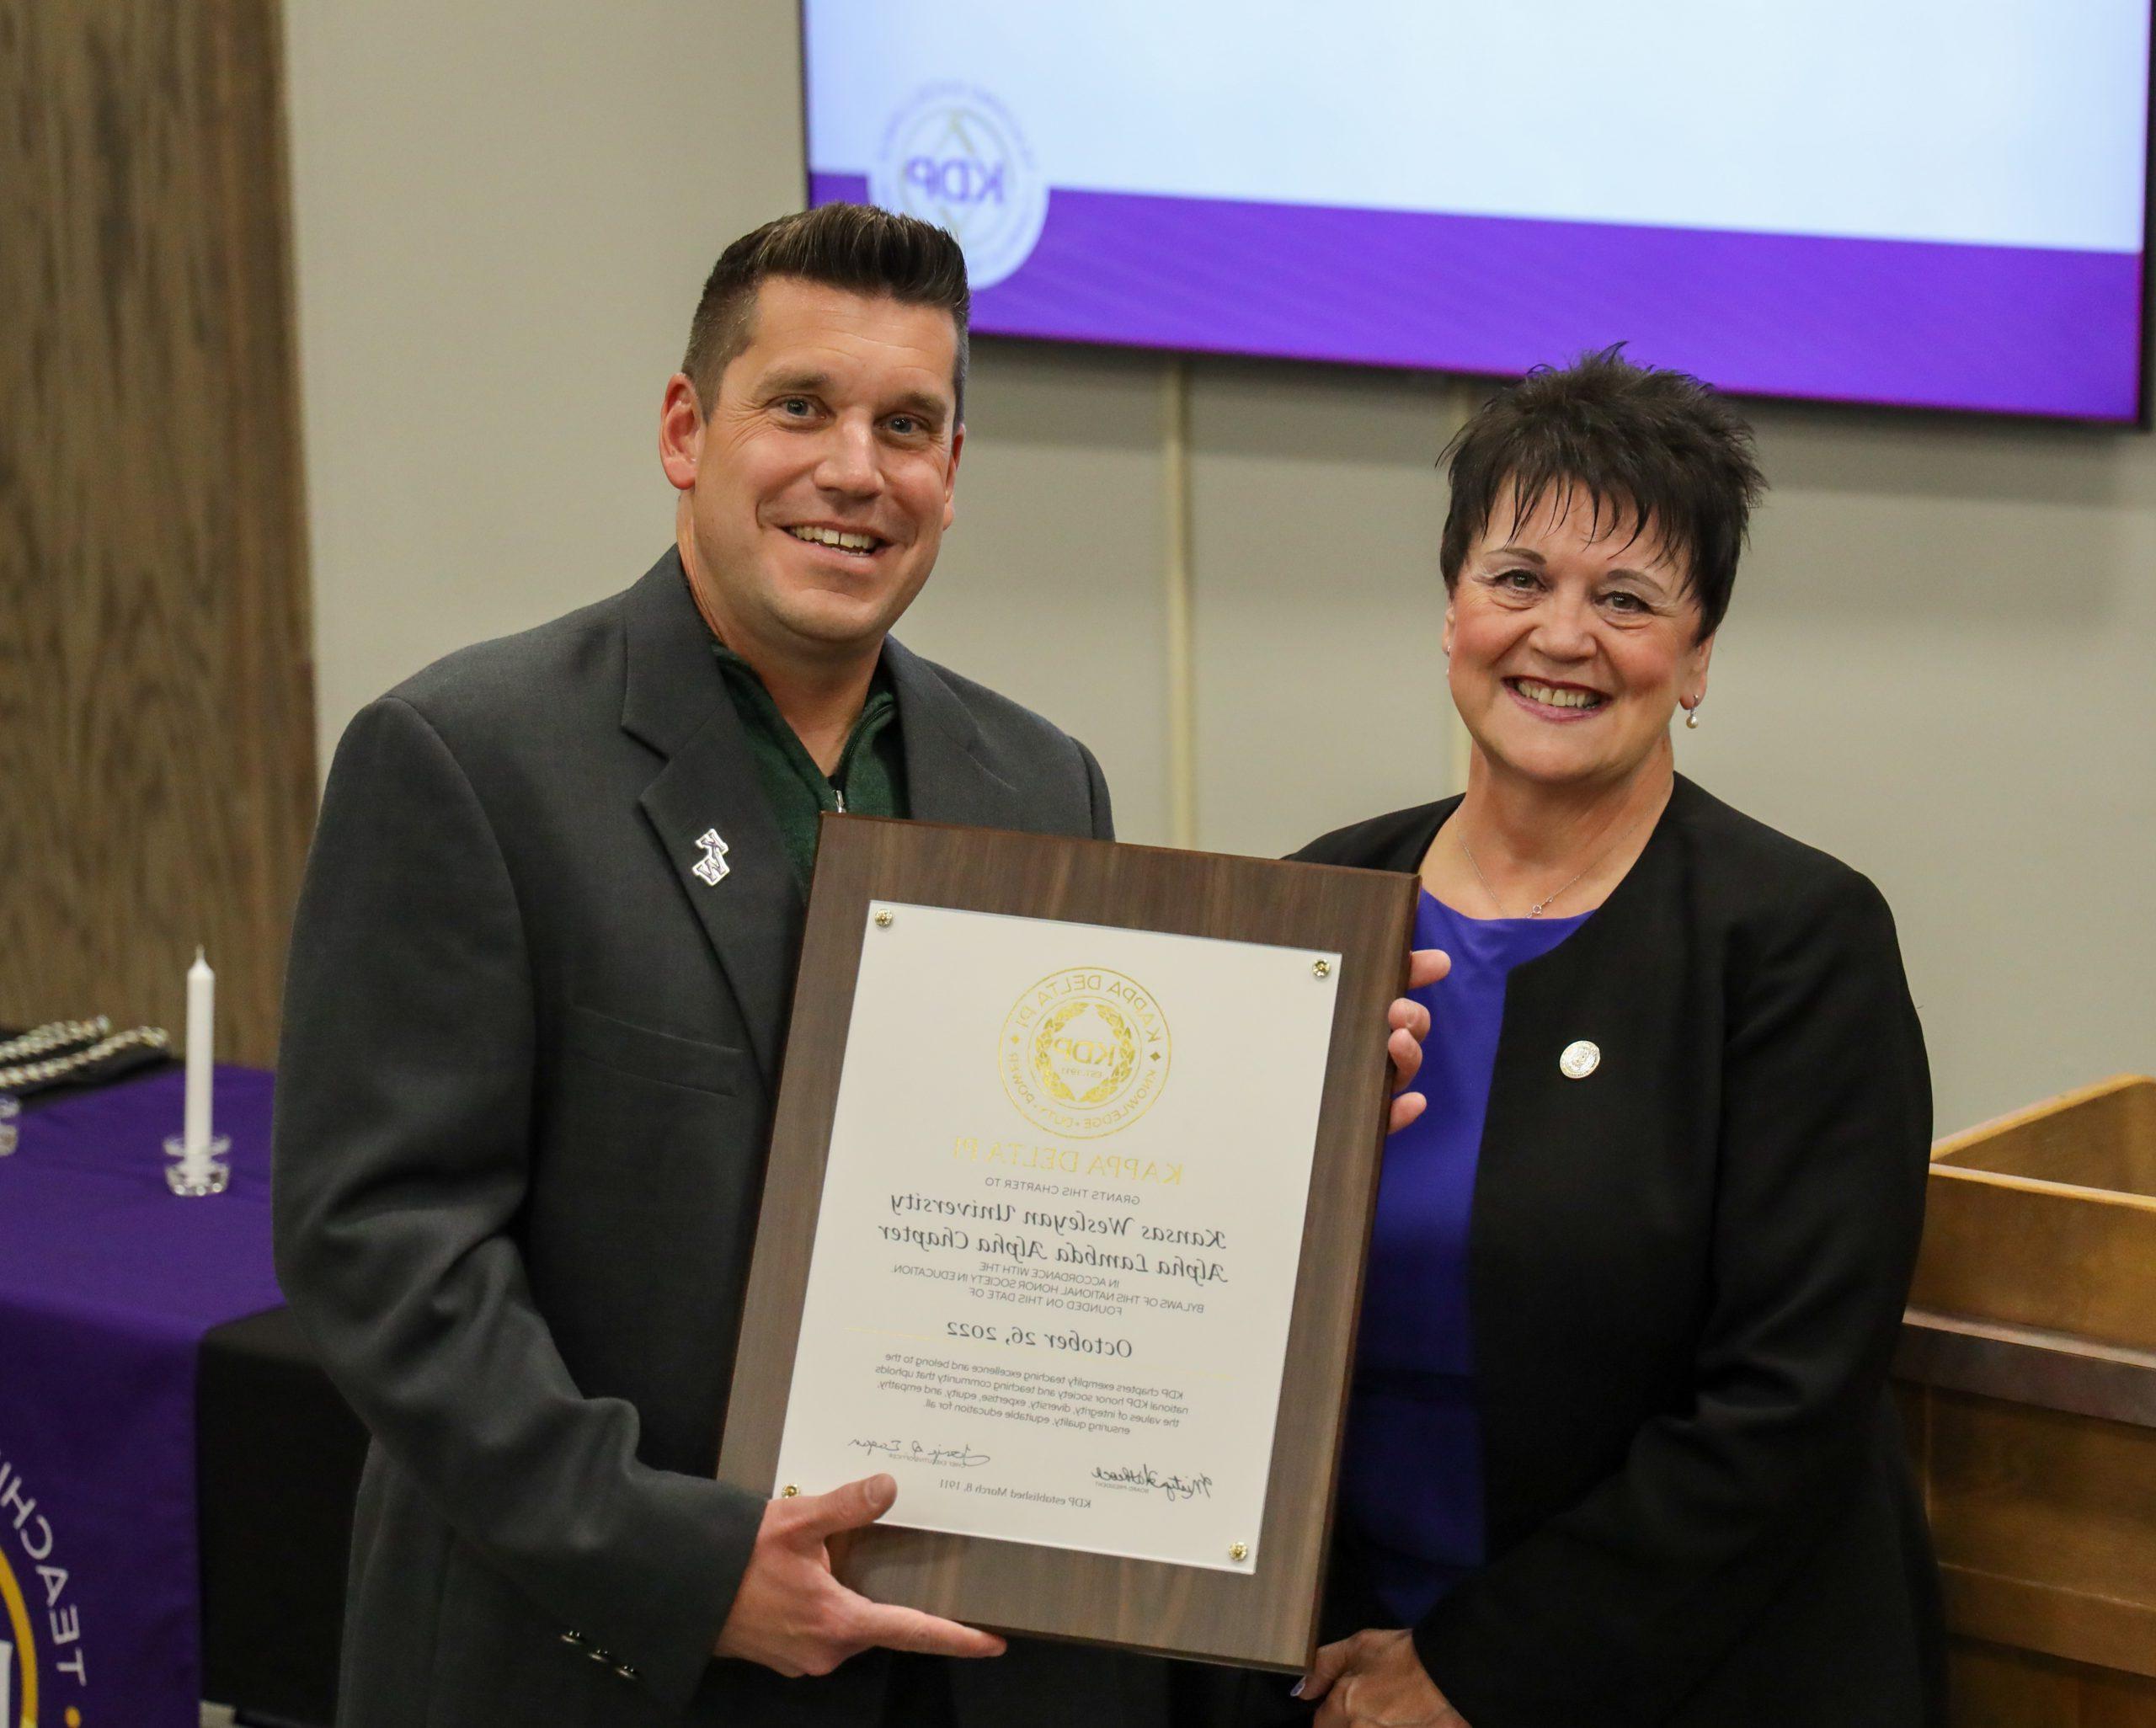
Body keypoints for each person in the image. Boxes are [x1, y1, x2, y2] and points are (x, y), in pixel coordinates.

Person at [273, 203, 1438, 1728]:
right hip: (607, 1659)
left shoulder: (1037, 781)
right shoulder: (467, 761)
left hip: (967, 1671)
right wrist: (686, 1562)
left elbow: (1067, 1160)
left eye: (908, 425)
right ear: (689, 430)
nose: (854, 470)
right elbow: (385, 1253)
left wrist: (1289, 1138)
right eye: (801, 407)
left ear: (951, 472)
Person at [1229, 350, 1943, 1728]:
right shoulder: (1321, 899)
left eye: (1627, 599)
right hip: (1336, 1667)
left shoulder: (1798, 941)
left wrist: (1472, 1672)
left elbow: (1782, 1413)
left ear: (1697, 659)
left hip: (1691, 1677)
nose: (1563, 635)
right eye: (1518, 579)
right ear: (1451, 613)